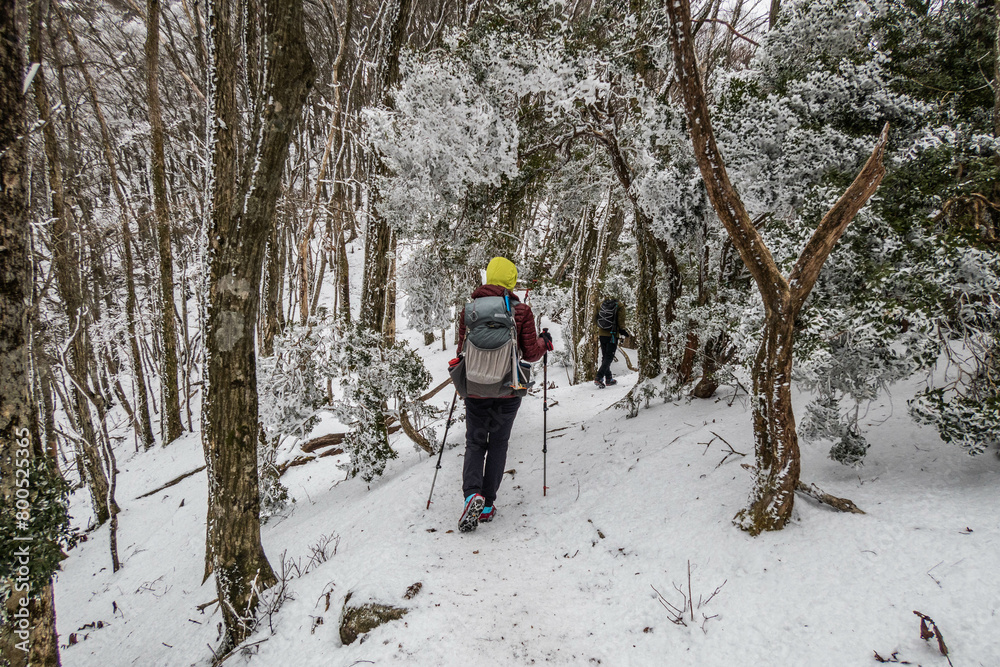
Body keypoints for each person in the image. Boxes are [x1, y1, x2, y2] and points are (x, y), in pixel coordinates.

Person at [453, 257, 552, 532]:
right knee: (498, 443)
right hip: (509, 389)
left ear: (488, 278)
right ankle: (487, 506)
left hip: (474, 388)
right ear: (511, 280)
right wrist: (544, 341)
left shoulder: (469, 309)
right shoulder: (521, 311)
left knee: (475, 442)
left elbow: (461, 349)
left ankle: (472, 494)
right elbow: (531, 354)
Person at [594, 297, 629, 388]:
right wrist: (622, 330)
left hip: (602, 333)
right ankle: (599, 377)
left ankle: (609, 378)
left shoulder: (601, 303)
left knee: (605, 356)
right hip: (612, 334)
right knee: (609, 357)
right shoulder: (619, 305)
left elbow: (595, 317)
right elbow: (621, 320)